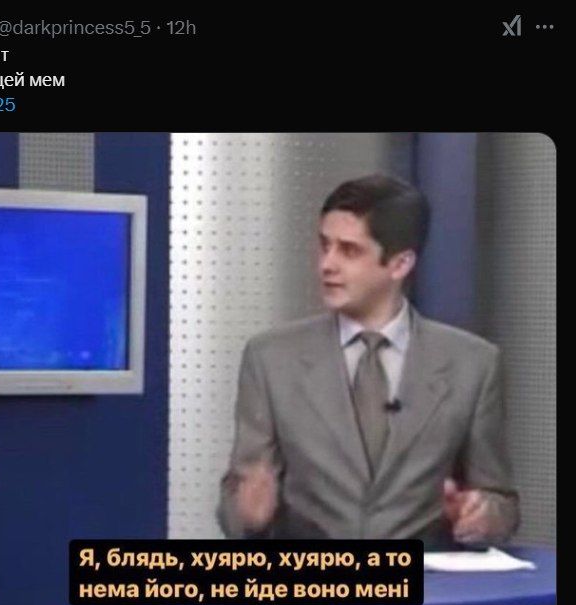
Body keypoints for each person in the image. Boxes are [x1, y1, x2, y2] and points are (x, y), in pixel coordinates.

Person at [217, 174, 519, 549]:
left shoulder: (473, 364)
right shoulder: (271, 359)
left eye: (349, 251)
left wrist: (482, 515)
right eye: (324, 246)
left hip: (422, 581)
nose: (327, 264)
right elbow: (237, 501)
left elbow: (501, 503)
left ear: (400, 264)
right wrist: (248, 512)